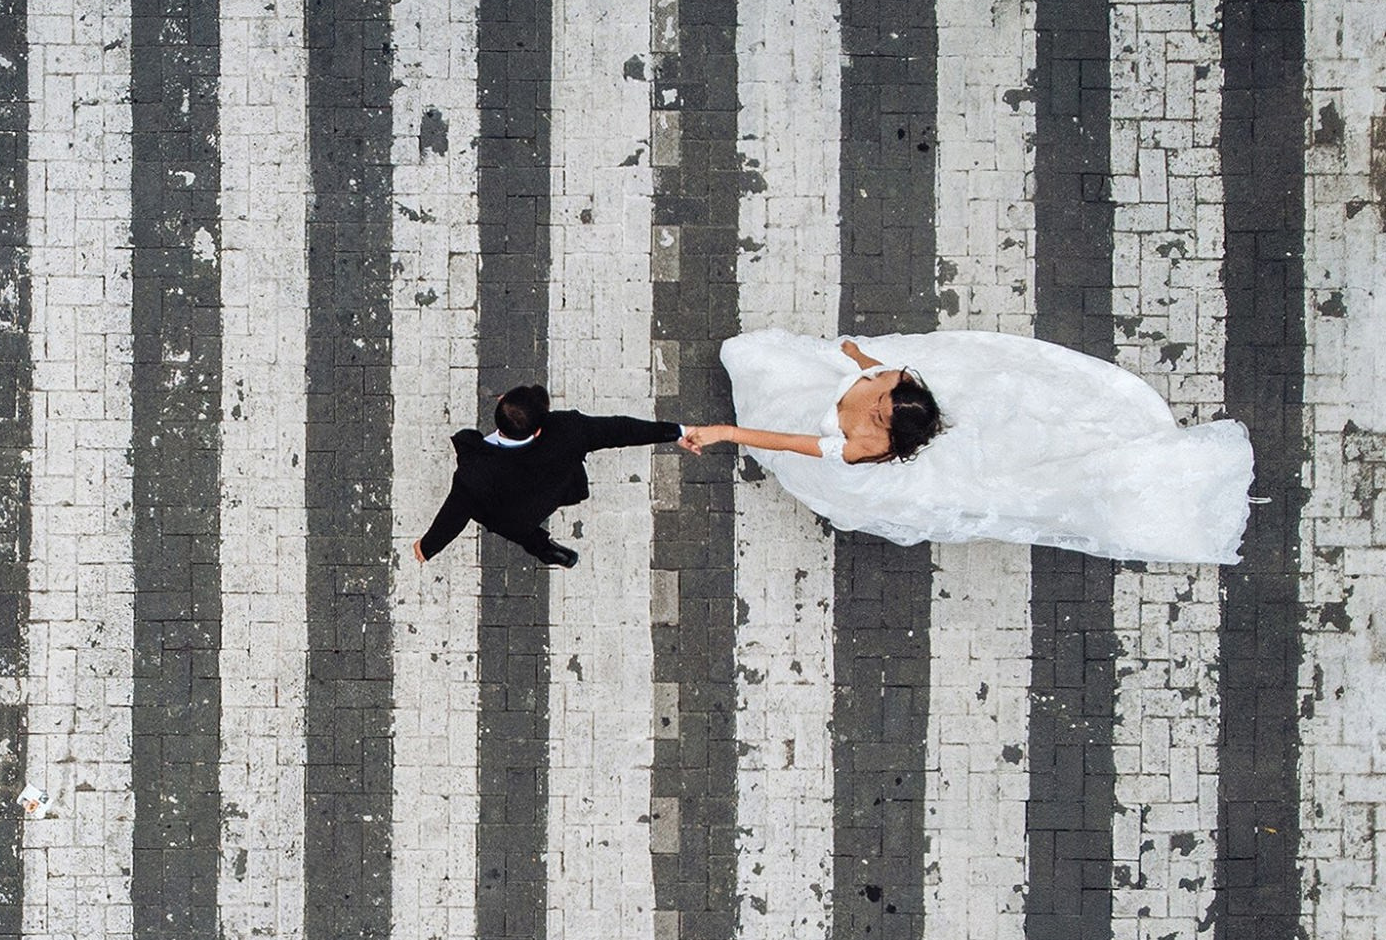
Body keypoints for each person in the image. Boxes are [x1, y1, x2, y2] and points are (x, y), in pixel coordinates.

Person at [680, 328, 1254, 564]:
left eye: (879, 404)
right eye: (881, 392)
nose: (874, 394)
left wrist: (727, 433)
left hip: (813, 431)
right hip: (822, 396)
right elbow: (878, 366)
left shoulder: (859, 445)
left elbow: (787, 440)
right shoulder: (896, 381)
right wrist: (854, 357)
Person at [412, 384, 686, 567]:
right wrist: (675, 432)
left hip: (512, 515)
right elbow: (621, 430)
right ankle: (551, 552)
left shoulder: (475, 473)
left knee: (523, 533)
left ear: (499, 404)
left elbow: (452, 517)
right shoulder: (569, 430)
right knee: (523, 522)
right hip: (552, 493)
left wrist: (427, 547)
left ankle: (553, 553)